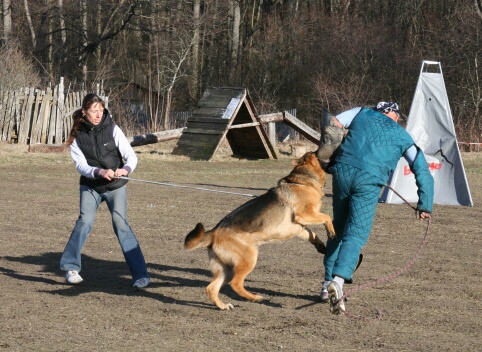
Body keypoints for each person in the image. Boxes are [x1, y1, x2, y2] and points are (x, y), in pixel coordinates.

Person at [320, 102, 434, 314]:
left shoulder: (360, 113)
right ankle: (338, 281)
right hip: (369, 181)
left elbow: (333, 123)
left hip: (343, 171)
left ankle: (326, 285)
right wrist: (424, 203)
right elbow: (421, 167)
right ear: (395, 116)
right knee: (356, 233)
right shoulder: (403, 136)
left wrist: (330, 154)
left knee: (338, 227)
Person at [59, 93, 150, 289]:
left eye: (101, 110)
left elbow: (131, 157)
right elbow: (81, 166)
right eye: (94, 111)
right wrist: (99, 171)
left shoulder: (113, 129)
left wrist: (125, 170)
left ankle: (140, 275)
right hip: (91, 185)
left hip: (115, 186)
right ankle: (71, 268)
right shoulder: (77, 136)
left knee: (120, 224)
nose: (98, 114)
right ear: (84, 112)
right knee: (85, 221)